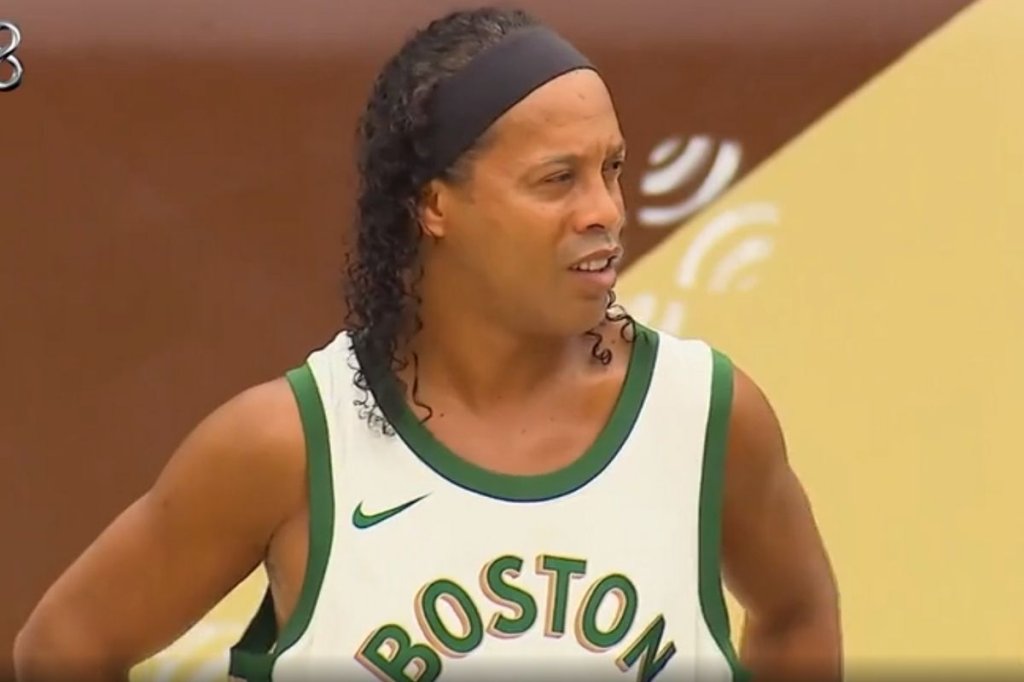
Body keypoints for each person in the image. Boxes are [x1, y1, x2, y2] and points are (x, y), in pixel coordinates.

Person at [14, 6, 841, 681]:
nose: (606, 211)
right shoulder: (290, 447)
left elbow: (797, 616)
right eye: (558, 179)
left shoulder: (705, 416)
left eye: (613, 170)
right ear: (435, 206)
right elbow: (63, 648)